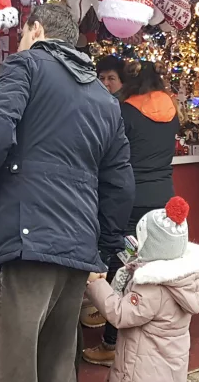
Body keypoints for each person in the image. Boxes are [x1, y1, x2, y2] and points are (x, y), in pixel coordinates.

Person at [0, 3, 135, 382]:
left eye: (23, 35)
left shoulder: (25, 67)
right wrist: (104, 246)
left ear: (36, 30)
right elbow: (120, 181)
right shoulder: (105, 100)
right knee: (57, 369)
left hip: (22, 244)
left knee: (5, 370)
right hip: (76, 251)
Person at [83, 60, 180, 367]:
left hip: (129, 199)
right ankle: (143, 332)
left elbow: (105, 151)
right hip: (162, 198)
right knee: (150, 269)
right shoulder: (172, 109)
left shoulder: (125, 111)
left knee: (120, 268)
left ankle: (112, 341)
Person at [86, 198, 199, 382]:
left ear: (153, 246)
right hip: (168, 367)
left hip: (141, 370)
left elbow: (121, 314)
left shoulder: (152, 288)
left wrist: (96, 284)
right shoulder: (184, 279)